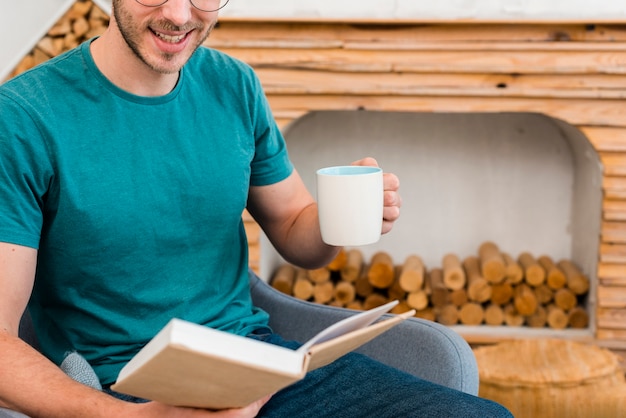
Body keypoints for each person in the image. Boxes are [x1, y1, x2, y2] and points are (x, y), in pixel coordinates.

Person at [0, 0, 513, 416]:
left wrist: (340, 218)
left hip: (258, 363)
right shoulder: (24, 117)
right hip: (124, 387)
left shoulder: (234, 85)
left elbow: (294, 229)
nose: (180, 15)